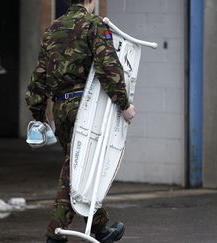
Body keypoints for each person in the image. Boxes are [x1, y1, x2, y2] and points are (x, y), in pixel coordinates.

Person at [25, 0, 136, 242]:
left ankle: (100, 227)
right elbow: (109, 67)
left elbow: (40, 75)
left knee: (78, 164)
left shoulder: (53, 28)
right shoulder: (93, 24)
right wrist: (124, 104)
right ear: (90, 0)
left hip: (61, 107)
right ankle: (55, 231)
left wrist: (38, 113)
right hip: (86, 108)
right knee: (75, 170)